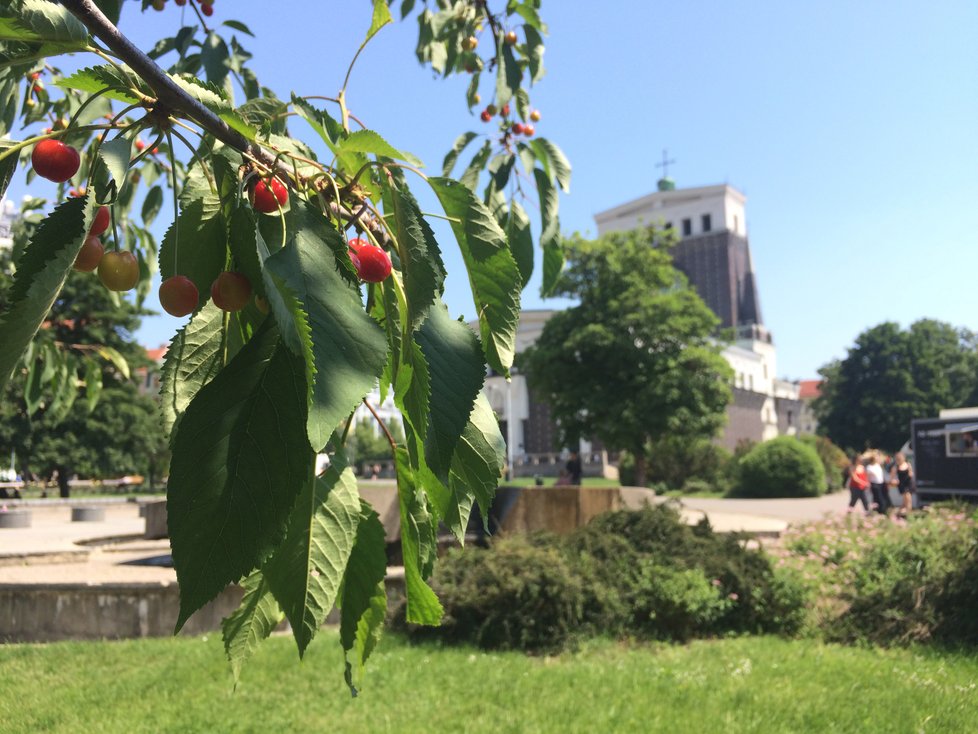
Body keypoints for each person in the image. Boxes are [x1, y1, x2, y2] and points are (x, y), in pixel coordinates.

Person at [889, 452, 914, 518]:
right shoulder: (895, 467)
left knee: (907, 499)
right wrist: (894, 481)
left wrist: (910, 474)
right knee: (907, 498)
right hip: (902, 484)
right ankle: (907, 513)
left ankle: (903, 513)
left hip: (908, 483)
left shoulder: (908, 464)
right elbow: (892, 478)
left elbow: (911, 473)